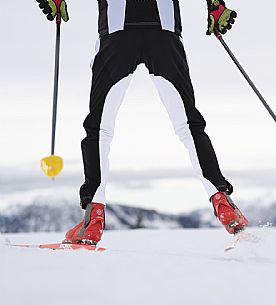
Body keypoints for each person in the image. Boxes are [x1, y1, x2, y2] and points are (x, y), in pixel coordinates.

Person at [36, 0, 248, 245]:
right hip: (164, 32)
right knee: (189, 125)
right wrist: (215, 6)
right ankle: (222, 201)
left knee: (99, 129)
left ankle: (92, 219)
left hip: (117, 32)